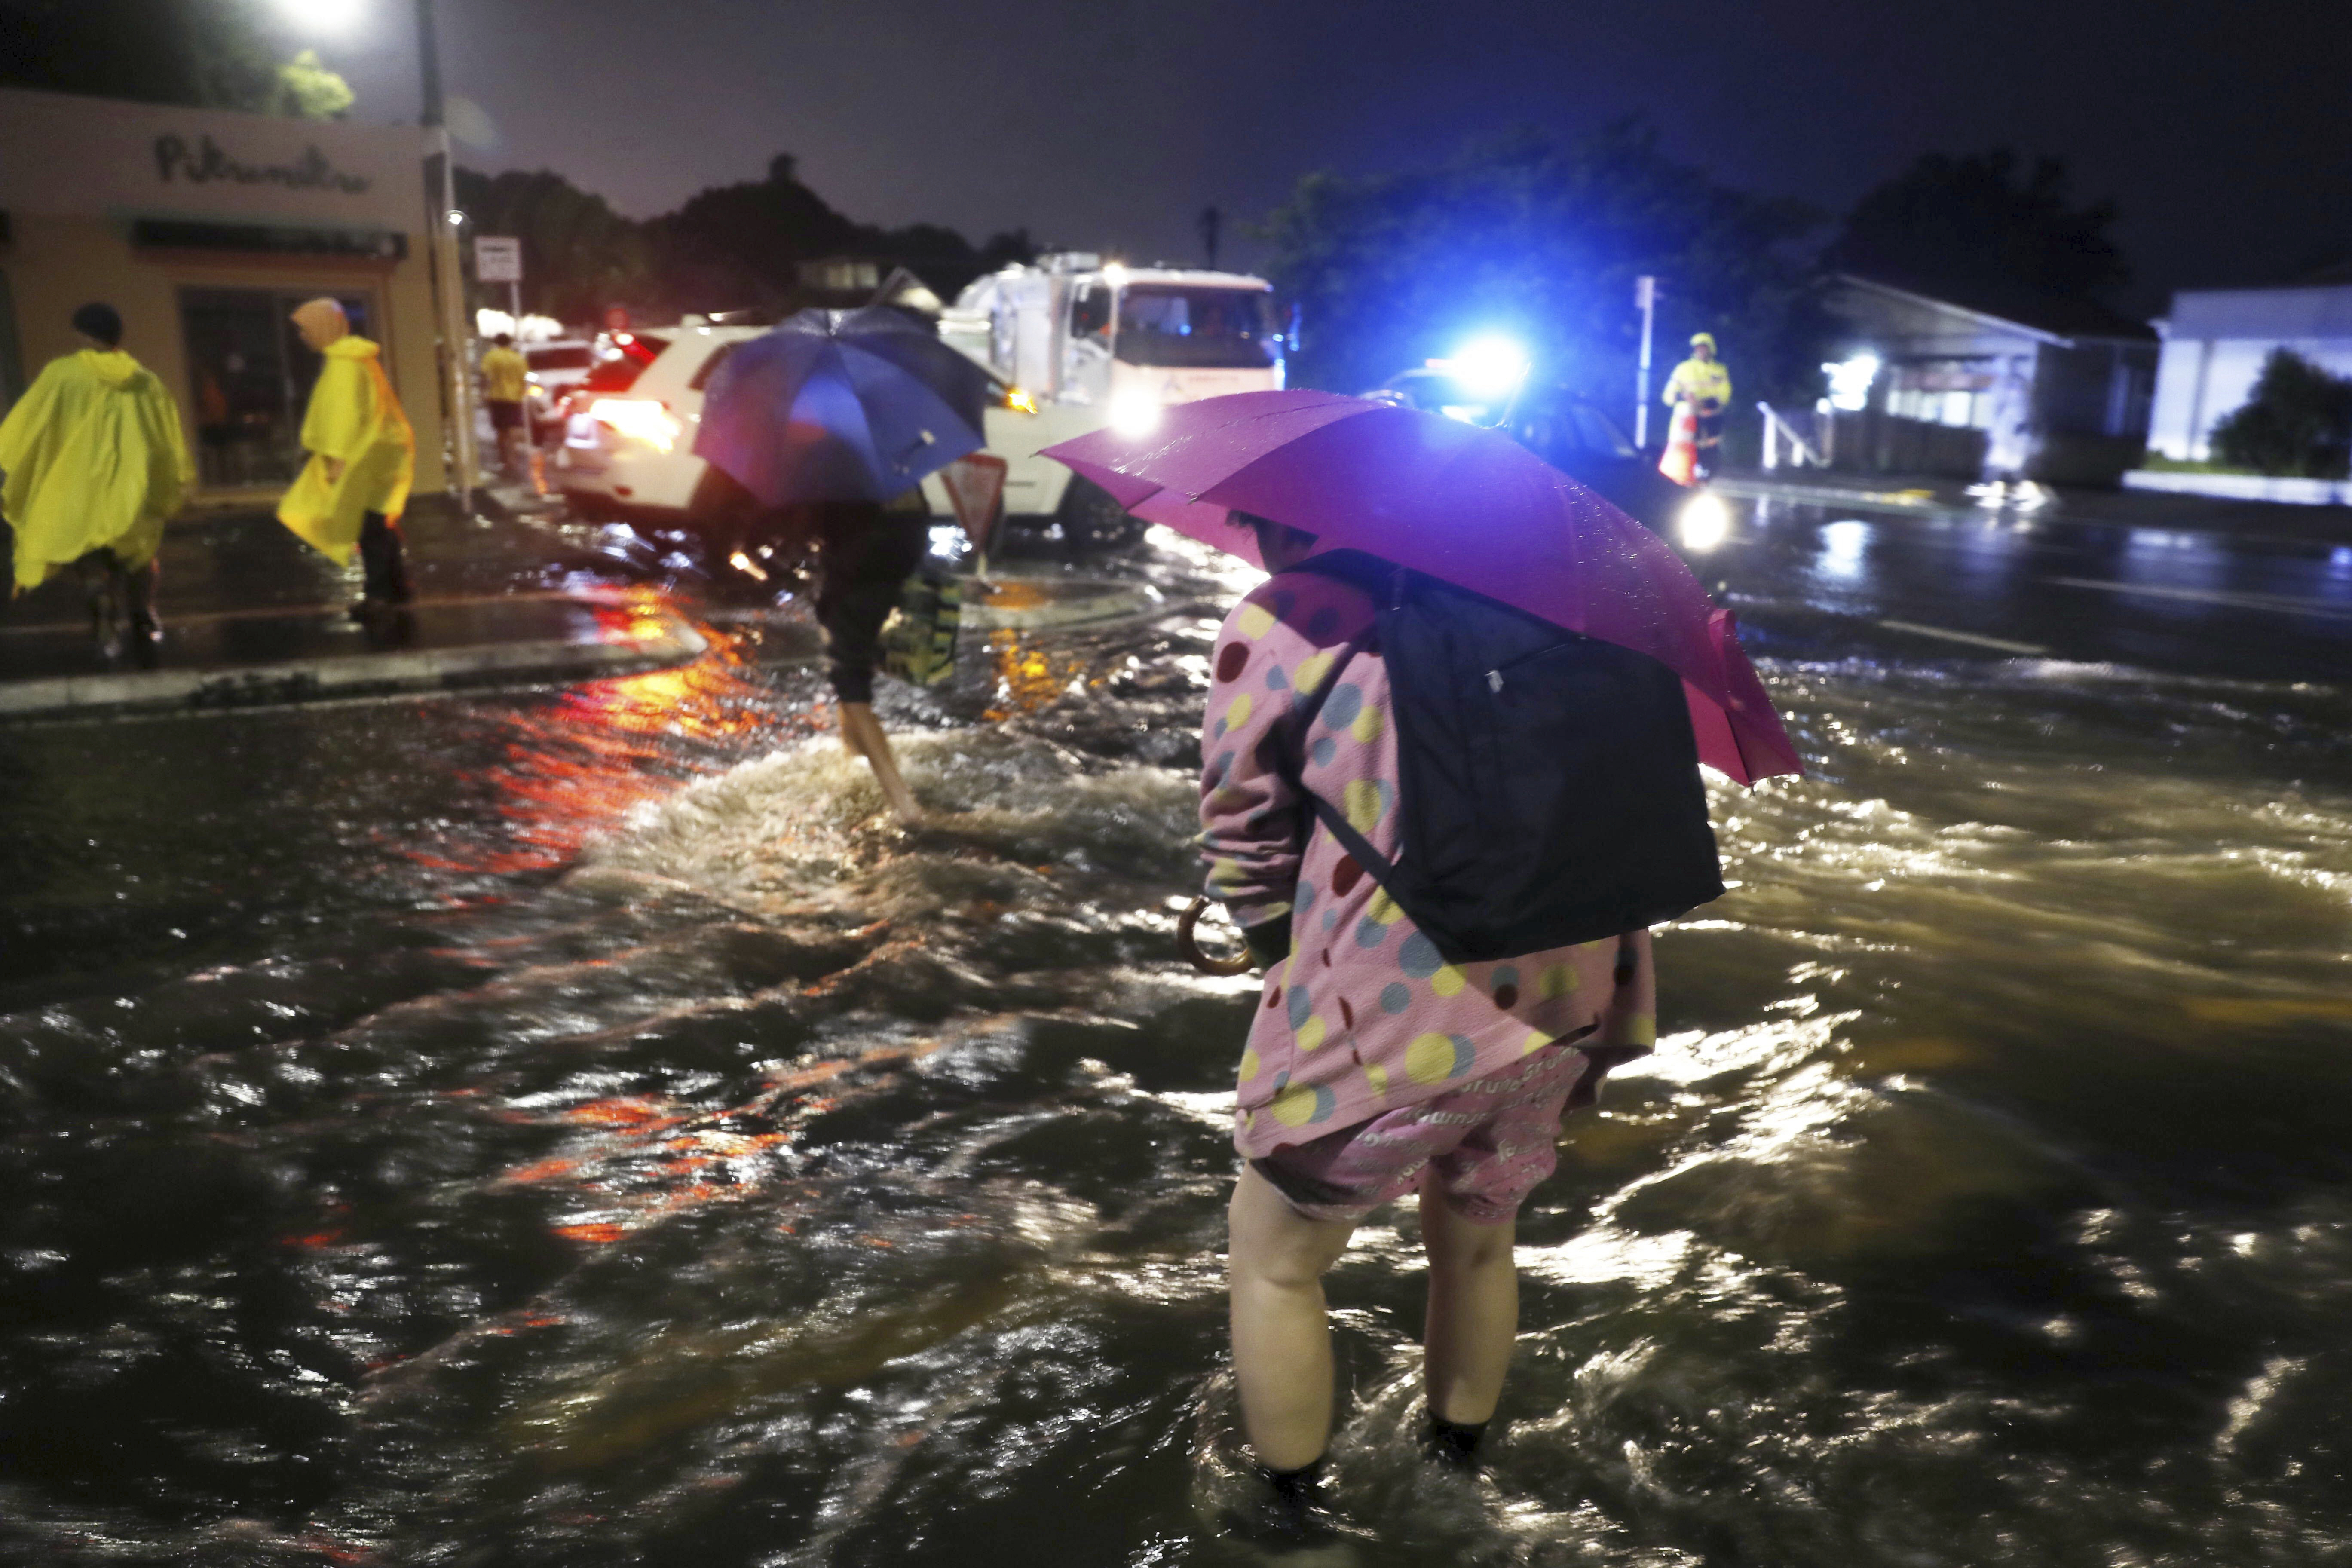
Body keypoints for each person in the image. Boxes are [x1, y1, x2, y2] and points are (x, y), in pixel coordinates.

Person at [1201, 513, 1657, 1536]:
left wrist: (1276, 946)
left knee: (1272, 1255)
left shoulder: (1290, 612)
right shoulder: (1547, 606)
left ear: (1285, 509)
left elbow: (1241, 827)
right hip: (1560, 992)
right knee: (1479, 1238)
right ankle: (1453, 1479)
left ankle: (1295, 1528)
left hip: (1394, 1005)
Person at [0, 302, 192, 660]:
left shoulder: (62, 374)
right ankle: (144, 618)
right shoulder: (145, 381)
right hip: (131, 488)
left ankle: (103, 616)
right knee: (141, 555)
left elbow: (31, 424)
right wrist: (168, 483)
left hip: (78, 487)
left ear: (83, 334)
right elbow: (164, 438)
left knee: (89, 557)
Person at [276, 298, 415, 622]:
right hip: (379, 451)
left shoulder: (344, 364)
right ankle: (397, 587)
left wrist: (337, 459)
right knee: (378, 523)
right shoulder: (356, 359)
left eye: (306, 328)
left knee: (370, 528)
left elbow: (344, 416)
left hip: (363, 456)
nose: (303, 336)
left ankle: (380, 595)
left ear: (324, 326)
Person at [1662, 331, 1732, 481]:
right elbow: (1668, 396)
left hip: (1710, 421)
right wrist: (1684, 397)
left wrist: (1707, 403)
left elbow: (1725, 395)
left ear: (1711, 349)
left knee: (1710, 456)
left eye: (1704, 348)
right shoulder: (1683, 368)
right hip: (1686, 423)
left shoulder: (1720, 370)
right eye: (1698, 348)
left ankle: (1704, 482)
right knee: (1683, 457)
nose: (1701, 351)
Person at [480, 331, 530, 477]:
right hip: (515, 398)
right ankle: (512, 458)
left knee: (501, 430)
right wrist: (523, 391)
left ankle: (504, 459)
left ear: (496, 342)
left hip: (497, 397)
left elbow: (484, 375)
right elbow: (525, 378)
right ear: (510, 343)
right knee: (513, 428)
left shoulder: (491, 357)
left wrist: (484, 392)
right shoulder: (518, 358)